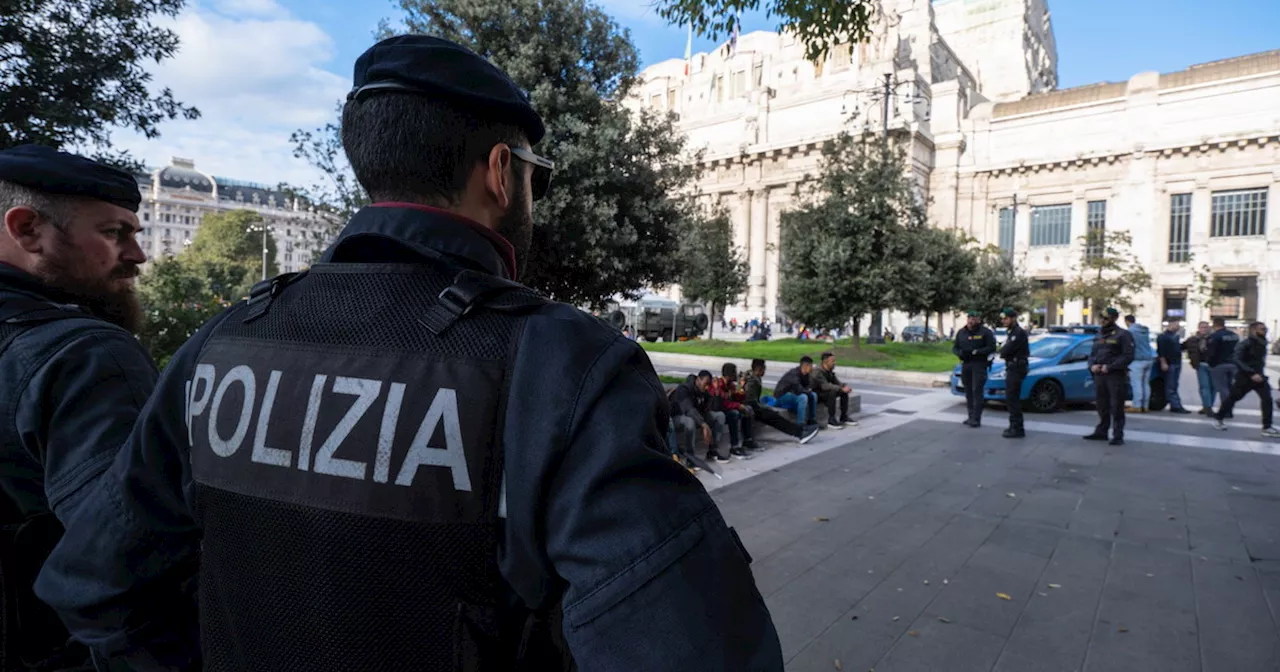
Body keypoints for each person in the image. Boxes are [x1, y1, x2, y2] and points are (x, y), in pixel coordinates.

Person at [36, 36, 782, 671]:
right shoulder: (563, 363)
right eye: (535, 178)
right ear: (500, 172)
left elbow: (94, 584)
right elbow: (688, 646)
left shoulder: (221, 344)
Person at [0, 145, 157, 671]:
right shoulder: (87, 356)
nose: (138, 255)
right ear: (27, 230)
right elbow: (130, 567)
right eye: (115, 233)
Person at [1213, 322, 1279, 438]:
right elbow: (1237, 359)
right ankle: (1219, 417)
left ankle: (1267, 427)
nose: (1265, 331)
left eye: (1265, 328)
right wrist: (1251, 373)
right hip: (1245, 377)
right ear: (1254, 330)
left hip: (1259, 376)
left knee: (1267, 399)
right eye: (1262, 329)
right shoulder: (1245, 343)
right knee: (1234, 397)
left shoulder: (1262, 342)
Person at [1084, 307, 1135, 446]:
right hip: (1100, 375)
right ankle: (1101, 431)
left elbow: (1128, 355)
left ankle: (1118, 435)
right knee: (1101, 404)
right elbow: (1093, 354)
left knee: (1116, 406)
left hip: (1115, 375)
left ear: (1114, 319)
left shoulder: (1123, 335)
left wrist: (1110, 366)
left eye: (1105, 318)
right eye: (1101, 317)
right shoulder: (1099, 334)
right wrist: (1092, 365)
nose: (1102, 320)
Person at [744, 359, 820, 444]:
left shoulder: (754, 377)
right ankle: (799, 432)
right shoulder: (751, 380)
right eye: (764, 368)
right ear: (759, 369)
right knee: (773, 416)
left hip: (753, 406)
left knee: (773, 415)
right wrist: (763, 407)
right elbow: (750, 400)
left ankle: (800, 430)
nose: (765, 371)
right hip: (750, 408)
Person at [953, 310, 997, 428]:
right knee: (968, 391)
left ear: (978, 320)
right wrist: (959, 353)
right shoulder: (962, 332)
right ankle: (970, 416)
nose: (971, 321)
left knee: (977, 390)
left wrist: (977, 352)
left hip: (979, 364)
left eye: (974, 318)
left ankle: (976, 418)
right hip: (966, 364)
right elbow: (955, 347)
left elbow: (991, 347)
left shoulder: (985, 332)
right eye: (969, 318)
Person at [708, 363, 759, 457]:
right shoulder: (718, 384)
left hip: (726, 408)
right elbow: (722, 403)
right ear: (729, 375)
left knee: (747, 410)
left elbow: (737, 398)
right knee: (734, 413)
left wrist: (742, 388)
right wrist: (738, 406)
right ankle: (734, 446)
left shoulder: (730, 385)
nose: (737, 375)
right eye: (735, 372)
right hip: (718, 410)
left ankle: (747, 440)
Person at [997, 307, 1029, 439]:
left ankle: (1017, 428)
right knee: (1011, 398)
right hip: (1012, 367)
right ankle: (1014, 425)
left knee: (1012, 398)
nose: (1003, 321)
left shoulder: (1017, 333)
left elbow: (1005, 351)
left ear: (1013, 319)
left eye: (1006, 318)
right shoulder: (1012, 332)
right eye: (1002, 319)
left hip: (1016, 367)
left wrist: (1003, 350)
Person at [1205, 317, 1241, 417]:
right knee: (1230, 388)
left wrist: (1210, 364)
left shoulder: (1214, 336)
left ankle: (1226, 411)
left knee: (1223, 389)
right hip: (1233, 364)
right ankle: (1229, 409)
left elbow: (1212, 352)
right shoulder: (1234, 335)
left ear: (1214, 324)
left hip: (1219, 365)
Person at [811, 352, 857, 429]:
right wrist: (840, 388)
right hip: (816, 393)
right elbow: (825, 386)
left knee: (843, 392)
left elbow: (836, 382)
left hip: (825, 392)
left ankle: (843, 417)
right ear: (825, 362)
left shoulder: (829, 371)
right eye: (832, 361)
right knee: (832, 392)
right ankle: (831, 420)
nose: (835, 363)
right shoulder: (817, 371)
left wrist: (843, 386)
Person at [1157, 319, 1192, 414]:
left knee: (1174, 384)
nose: (1179, 328)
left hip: (1176, 362)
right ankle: (1175, 405)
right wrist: (1163, 362)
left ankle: (1174, 404)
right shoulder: (1163, 337)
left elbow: (1178, 348)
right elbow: (1161, 351)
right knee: (1171, 385)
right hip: (1170, 363)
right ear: (1171, 325)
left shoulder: (1174, 336)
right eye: (1177, 325)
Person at [774, 356, 820, 426]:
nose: (812, 368)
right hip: (782, 395)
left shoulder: (806, 375)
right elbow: (799, 389)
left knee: (814, 395)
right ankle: (800, 424)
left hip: (793, 394)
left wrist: (809, 390)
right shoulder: (793, 374)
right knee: (803, 397)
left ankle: (811, 420)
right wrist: (808, 392)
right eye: (811, 366)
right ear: (806, 366)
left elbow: (807, 387)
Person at [1181, 321, 1214, 414]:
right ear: (1198, 328)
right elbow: (1182, 347)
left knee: (1212, 387)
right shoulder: (1192, 339)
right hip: (1200, 365)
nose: (1204, 329)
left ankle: (1208, 406)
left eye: (1206, 327)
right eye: (1202, 327)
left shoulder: (1214, 338)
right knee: (1204, 387)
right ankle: (1207, 407)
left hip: (1213, 365)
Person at [1124, 314, 1154, 413]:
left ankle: (1137, 405)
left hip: (1137, 360)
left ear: (1127, 321)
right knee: (1145, 383)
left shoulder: (1130, 332)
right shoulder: (1144, 331)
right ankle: (1145, 406)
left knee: (1136, 384)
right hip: (1148, 359)